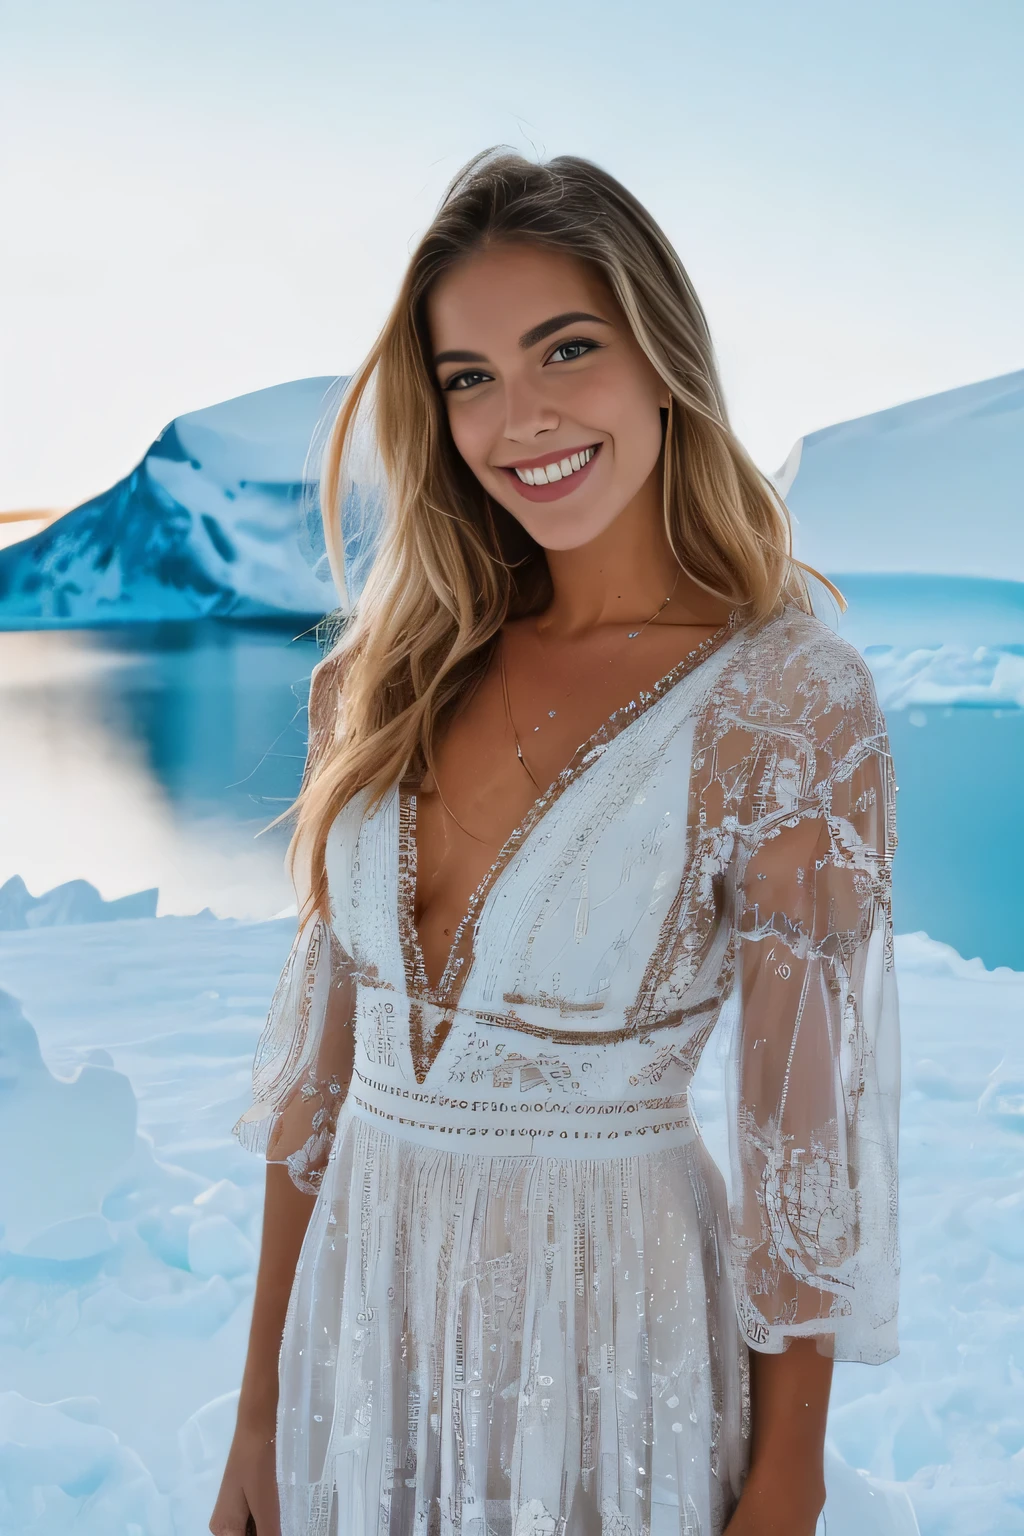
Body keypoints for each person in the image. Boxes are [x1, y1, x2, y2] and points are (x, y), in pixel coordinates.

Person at [210, 147, 901, 1536]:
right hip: (362, 1329)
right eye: (468, 377)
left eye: (564, 350)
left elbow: (798, 1153)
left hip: (616, 1343)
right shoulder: (378, 683)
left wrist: (785, 1486)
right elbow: (317, 1098)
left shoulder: (781, 703)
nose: (516, 419)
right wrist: (261, 1418)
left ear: (662, 360)